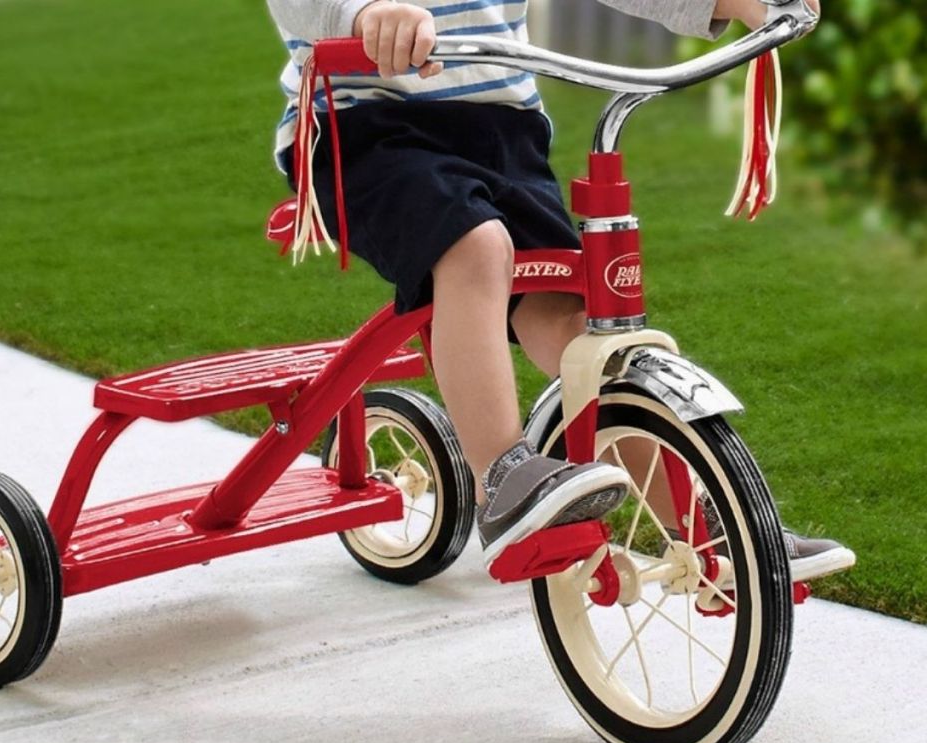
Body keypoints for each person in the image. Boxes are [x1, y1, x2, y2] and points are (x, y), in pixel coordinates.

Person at [265, 0, 855, 580]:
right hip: (363, 134)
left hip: (502, 129)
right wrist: (365, 14)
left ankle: (707, 527)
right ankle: (503, 475)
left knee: (571, 319)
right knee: (476, 249)